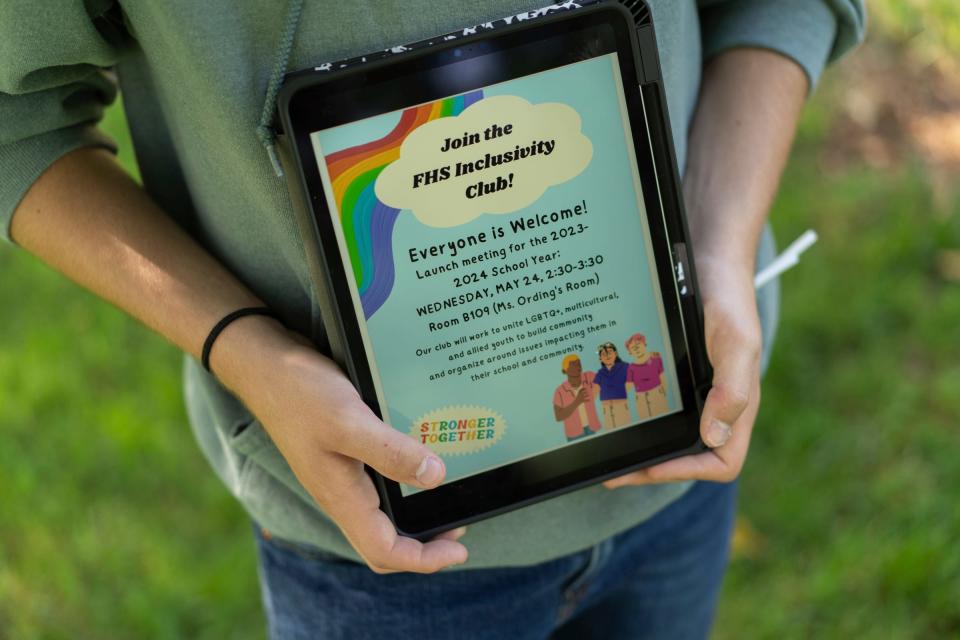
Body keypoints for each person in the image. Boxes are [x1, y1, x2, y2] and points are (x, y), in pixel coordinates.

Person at [0, 1, 864, 637]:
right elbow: (17, 121)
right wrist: (247, 348)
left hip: (672, 469)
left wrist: (718, 246)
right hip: (371, 545)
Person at [553, 354, 602, 441]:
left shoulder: (589, 377)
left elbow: (603, 379)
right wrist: (577, 401)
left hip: (592, 428)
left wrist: (594, 393)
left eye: (579, 364)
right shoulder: (560, 391)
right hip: (574, 434)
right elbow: (558, 416)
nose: (578, 367)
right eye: (573, 365)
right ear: (565, 371)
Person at [624, 332, 669, 419]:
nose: (636, 348)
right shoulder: (631, 368)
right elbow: (628, 386)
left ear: (644, 344)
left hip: (657, 394)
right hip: (641, 398)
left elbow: (662, 376)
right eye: (632, 348)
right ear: (630, 352)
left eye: (638, 344)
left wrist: (663, 391)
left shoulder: (656, 359)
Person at [594, 342, 632, 429]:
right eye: (603, 354)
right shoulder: (600, 373)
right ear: (600, 359)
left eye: (610, 352)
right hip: (606, 409)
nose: (607, 355)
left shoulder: (625, 367)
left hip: (621, 406)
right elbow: (594, 392)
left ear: (615, 353)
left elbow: (631, 383)